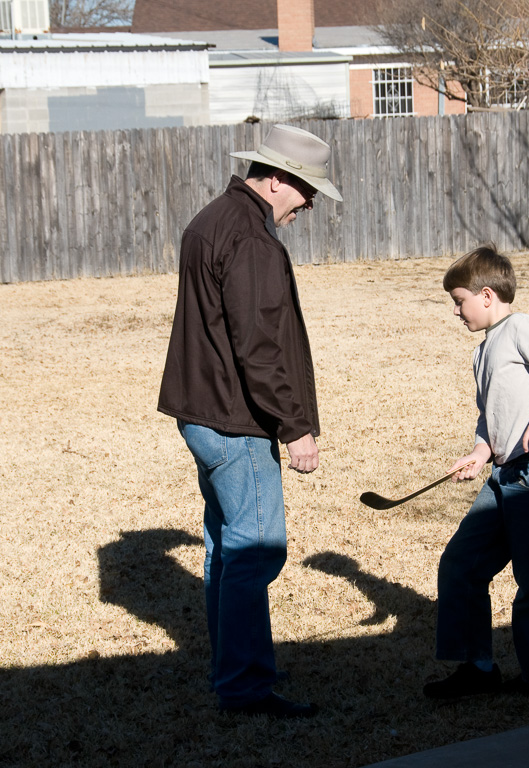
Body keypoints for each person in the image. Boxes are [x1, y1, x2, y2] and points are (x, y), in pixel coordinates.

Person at [158, 124, 342, 719]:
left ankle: (231, 672)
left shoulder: (210, 220)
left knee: (225, 547)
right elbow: (259, 347)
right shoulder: (252, 242)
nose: (310, 203)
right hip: (237, 423)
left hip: (201, 416)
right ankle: (244, 687)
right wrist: (295, 427)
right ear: (278, 180)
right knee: (255, 550)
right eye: (307, 191)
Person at [424, 245, 529, 699]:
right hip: (505, 473)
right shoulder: (483, 352)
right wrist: (479, 451)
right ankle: (478, 668)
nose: (457, 311)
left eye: (459, 301)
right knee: (461, 564)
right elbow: (489, 417)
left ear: (486, 295)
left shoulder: (520, 327)